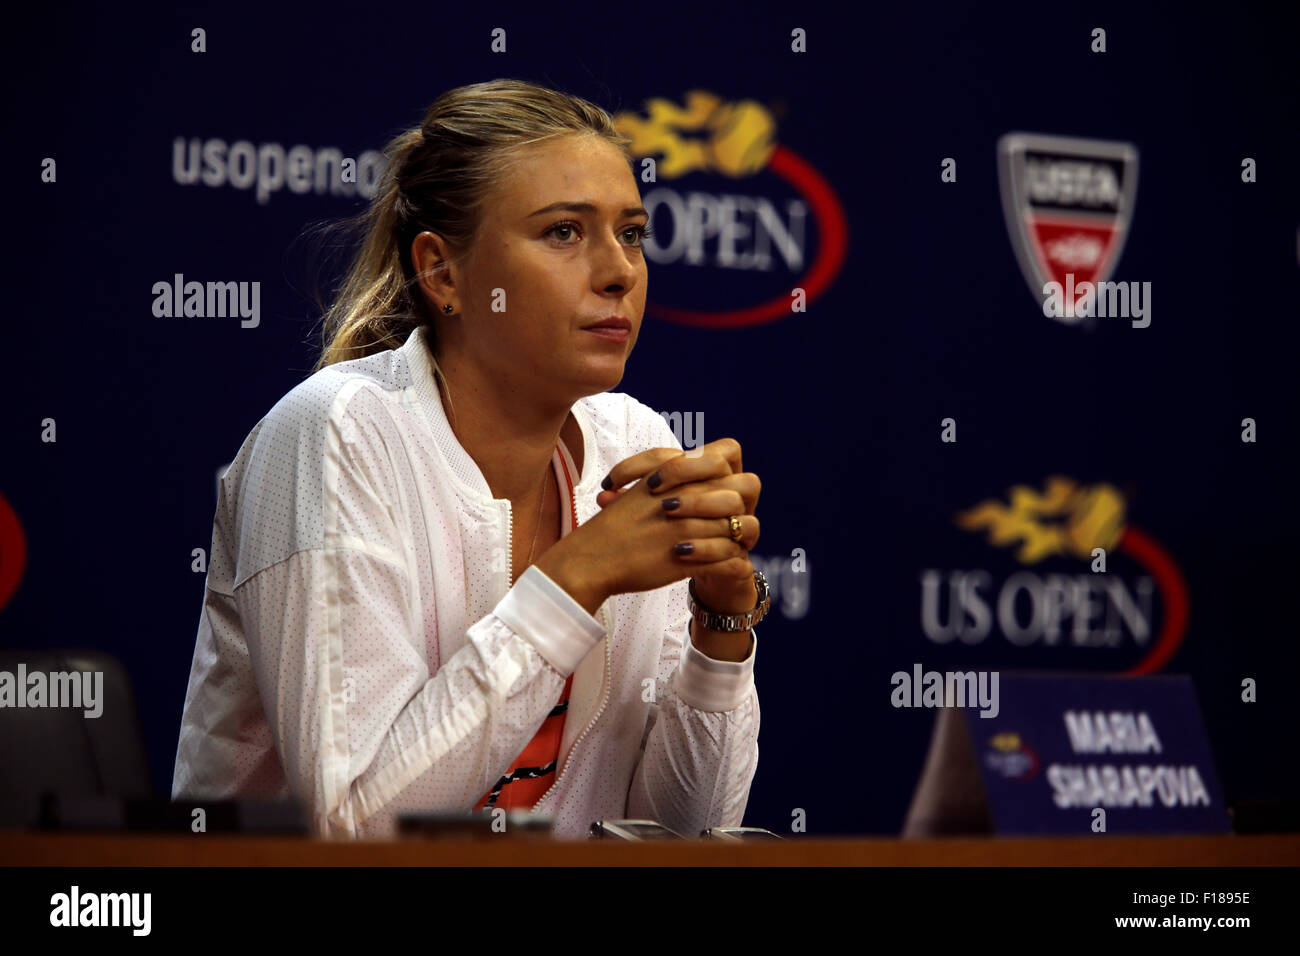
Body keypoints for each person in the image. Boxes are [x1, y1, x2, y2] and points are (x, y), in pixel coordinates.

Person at [171, 78, 768, 839]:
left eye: (631, 232)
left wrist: (721, 621)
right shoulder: (336, 435)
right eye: (564, 232)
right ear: (444, 272)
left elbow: (678, 835)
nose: (620, 270)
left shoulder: (632, 445)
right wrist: (576, 578)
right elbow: (353, 829)